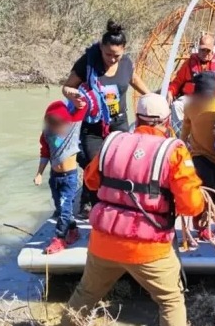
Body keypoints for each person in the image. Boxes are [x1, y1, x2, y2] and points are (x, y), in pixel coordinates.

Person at [63, 94, 204, 326]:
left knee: (86, 294)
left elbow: (90, 181)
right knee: (170, 301)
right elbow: (191, 206)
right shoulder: (174, 151)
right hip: (148, 249)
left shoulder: (112, 142)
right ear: (167, 121)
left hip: (104, 242)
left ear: (137, 119)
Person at [61, 20, 150, 216]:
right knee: (95, 165)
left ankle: (117, 205)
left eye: (116, 56)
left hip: (119, 124)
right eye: (107, 54)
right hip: (93, 126)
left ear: (124, 51)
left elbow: (134, 80)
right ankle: (97, 209)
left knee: (120, 166)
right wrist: (73, 96)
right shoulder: (88, 62)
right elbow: (67, 87)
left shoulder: (126, 63)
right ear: (101, 47)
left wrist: (151, 97)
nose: (111, 59)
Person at [180, 72, 215, 241]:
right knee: (205, 191)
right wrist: (180, 145)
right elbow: (186, 127)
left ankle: (205, 219)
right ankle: (203, 226)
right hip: (198, 154)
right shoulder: (190, 105)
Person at [33, 100, 86, 254]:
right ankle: (73, 230)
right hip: (54, 177)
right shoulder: (47, 134)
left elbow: (82, 108)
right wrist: (39, 174)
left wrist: (74, 94)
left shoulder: (72, 128)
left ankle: (59, 239)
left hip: (69, 177)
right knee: (61, 208)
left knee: (64, 208)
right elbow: (45, 153)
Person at [166, 33, 215, 107]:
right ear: (198, 49)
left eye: (208, 50)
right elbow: (177, 82)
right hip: (190, 99)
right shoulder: (188, 63)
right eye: (203, 50)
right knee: (177, 105)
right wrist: (171, 91)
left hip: (212, 100)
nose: (205, 53)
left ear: (212, 50)